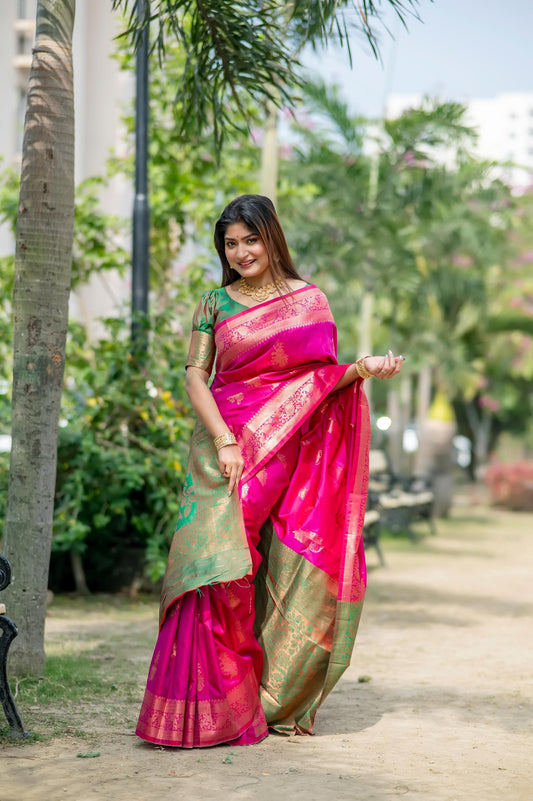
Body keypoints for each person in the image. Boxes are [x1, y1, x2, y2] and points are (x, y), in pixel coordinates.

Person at [136, 194, 404, 748]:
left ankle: (241, 705)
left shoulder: (309, 301)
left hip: (277, 445)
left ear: (272, 237)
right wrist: (224, 440)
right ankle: (191, 709)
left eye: (250, 240)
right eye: (231, 244)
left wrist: (362, 367)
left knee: (238, 568)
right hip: (220, 446)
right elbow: (194, 377)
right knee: (205, 570)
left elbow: (317, 380)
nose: (240, 253)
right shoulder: (213, 303)